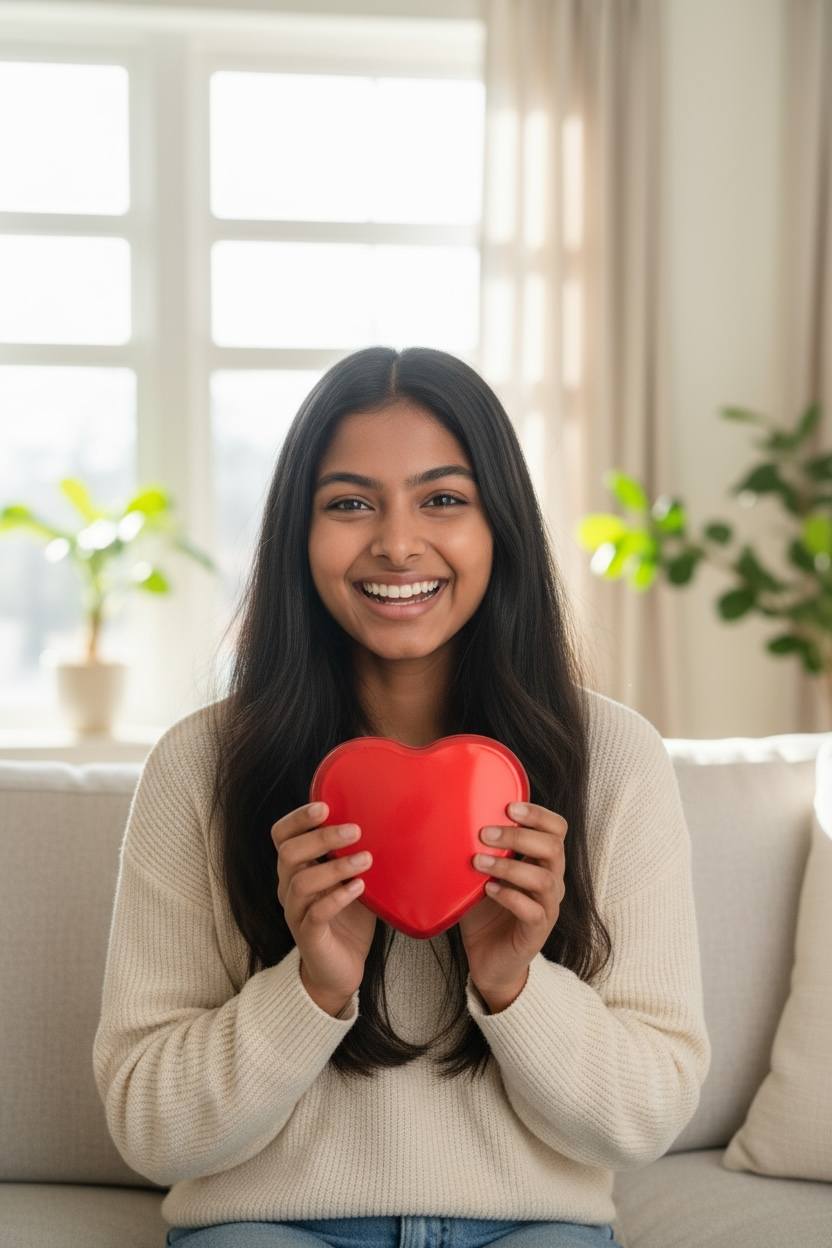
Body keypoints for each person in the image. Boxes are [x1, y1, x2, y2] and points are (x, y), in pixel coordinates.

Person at [94, 346, 709, 1248]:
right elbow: (150, 1129)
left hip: (533, 1228)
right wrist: (310, 986)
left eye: (443, 499)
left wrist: (512, 985)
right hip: (267, 1226)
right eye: (349, 503)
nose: (395, 541)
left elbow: (649, 1118)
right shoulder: (200, 767)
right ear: (299, 535)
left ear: (500, 525)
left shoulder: (615, 759)